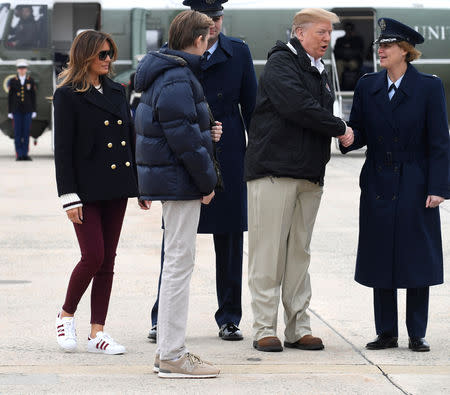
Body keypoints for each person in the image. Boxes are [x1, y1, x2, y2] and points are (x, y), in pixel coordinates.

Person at [147, 0, 257, 343]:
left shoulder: (238, 52)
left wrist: (257, 159)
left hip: (229, 157)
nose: (212, 26)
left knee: (230, 240)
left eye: (217, 18)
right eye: (205, 19)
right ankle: (160, 317)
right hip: (185, 158)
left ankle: (229, 317)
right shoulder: (172, 54)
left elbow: (252, 108)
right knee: (176, 242)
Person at [245, 8, 353, 352]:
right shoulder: (281, 63)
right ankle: (264, 328)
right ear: (299, 33)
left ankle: (297, 327)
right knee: (268, 254)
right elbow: (298, 106)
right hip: (274, 173)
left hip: (308, 175)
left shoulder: (317, 70)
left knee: (298, 256)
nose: (326, 39)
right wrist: (340, 128)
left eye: (328, 33)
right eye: (320, 32)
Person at [340, 18, 449, 352]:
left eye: (387, 45)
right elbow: (358, 131)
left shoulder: (429, 87)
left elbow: (439, 143)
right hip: (378, 180)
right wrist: (346, 136)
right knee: (380, 255)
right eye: (380, 45)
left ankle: (417, 331)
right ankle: (386, 331)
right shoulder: (367, 85)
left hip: (416, 181)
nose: (381, 50)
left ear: (405, 51)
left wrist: (439, 186)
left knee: (416, 256)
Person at [134, 10, 221, 378]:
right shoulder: (178, 79)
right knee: (178, 267)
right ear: (199, 40)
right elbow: (182, 140)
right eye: (209, 38)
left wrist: (207, 130)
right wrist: (208, 182)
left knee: (176, 264)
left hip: (171, 180)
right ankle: (172, 354)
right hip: (181, 183)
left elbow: (175, 128)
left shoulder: (165, 73)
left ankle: (168, 352)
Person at [53, 30, 138, 355]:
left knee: (108, 261)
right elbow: (63, 151)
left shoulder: (118, 91)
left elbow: (129, 140)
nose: (108, 60)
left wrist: (139, 186)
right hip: (85, 191)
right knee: (93, 256)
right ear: (85, 56)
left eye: (110, 54)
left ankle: (97, 332)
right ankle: (65, 315)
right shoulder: (68, 94)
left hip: (116, 187)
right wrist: (68, 197)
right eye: (102, 54)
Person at [8, 59, 36, 161]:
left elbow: (33, 96)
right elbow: (10, 97)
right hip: (16, 111)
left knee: (26, 132)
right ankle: (19, 154)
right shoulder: (13, 81)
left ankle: (25, 154)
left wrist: (34, 110)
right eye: (20, 68)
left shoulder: (30, 80)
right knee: (17, 133)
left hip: (28, 110)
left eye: (23, 68)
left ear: (26, 69)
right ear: (17, 69)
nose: (22, 70)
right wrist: (10, 111)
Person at [334, 22, 364, 90]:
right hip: (342, 61)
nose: (348, 31)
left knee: (355, 66)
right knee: (338, 65)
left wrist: (346, 52)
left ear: (353, 30)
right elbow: (336, 52)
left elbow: (359, 52)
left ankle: (357, 87)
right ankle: (337, 87)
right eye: (347, 29)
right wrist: (347, 52)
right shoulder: (340, 40)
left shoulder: (358, 40)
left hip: (354, 61)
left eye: (350, 29)